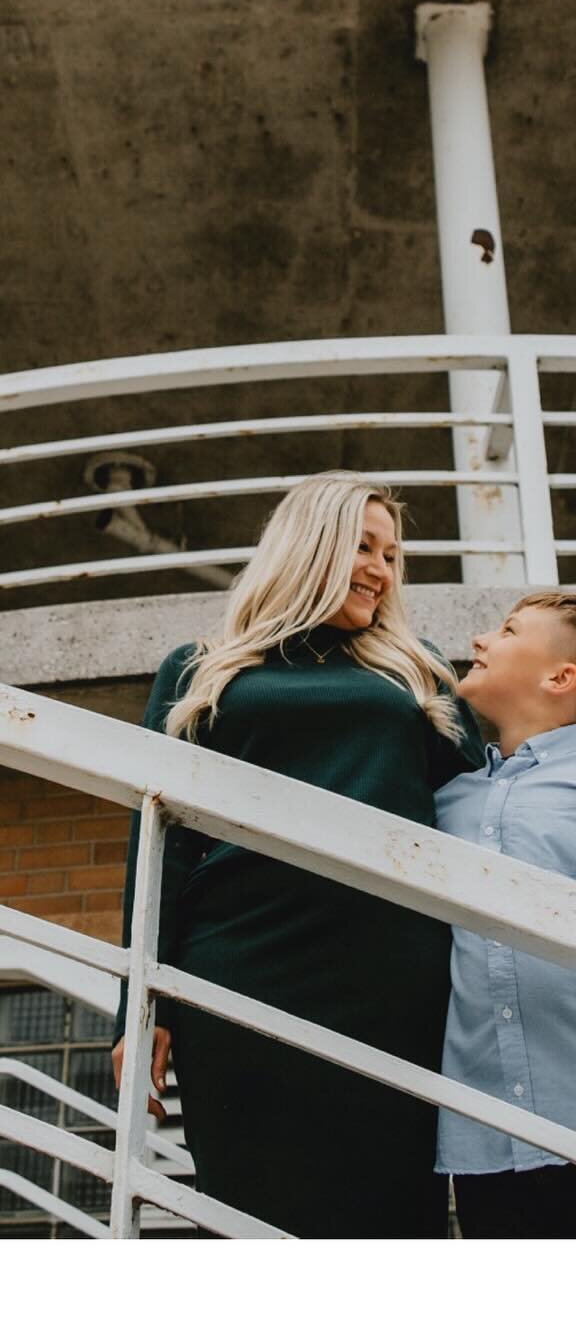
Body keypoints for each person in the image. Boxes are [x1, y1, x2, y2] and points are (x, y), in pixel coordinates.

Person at [110, 471, 484, 1237]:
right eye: (364, 547)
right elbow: (161, 844)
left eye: (392, 554)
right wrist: (139, 1004)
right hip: (240, 971)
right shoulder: (203, 667)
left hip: (393, 979)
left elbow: (473, 806)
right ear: (310, 546)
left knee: (393, 1215)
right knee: (257, 1211)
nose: (383, 569)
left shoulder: (415, 668)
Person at [434, 589, 576, 1239]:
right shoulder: (447, 800)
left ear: (560, 676)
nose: (480, 641)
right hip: (485, 1141)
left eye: (508, 630)